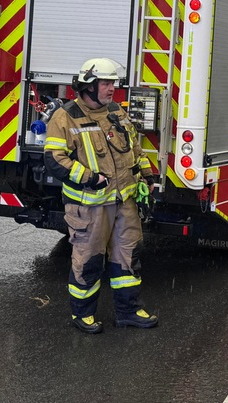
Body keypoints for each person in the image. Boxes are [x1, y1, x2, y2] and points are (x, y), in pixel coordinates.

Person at [43, 57, 159, 334]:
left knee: (128, 257)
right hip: (90, 207)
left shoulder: (116, 112)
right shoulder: (66, 117)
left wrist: (147, 174)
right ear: (88, 86)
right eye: (106, 83)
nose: (111, 89)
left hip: (124, 202)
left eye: (113, 83)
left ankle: (128, 311)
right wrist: (90, 178)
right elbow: (54, 159)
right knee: (89, 260)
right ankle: (83, 315)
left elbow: (135, 149)